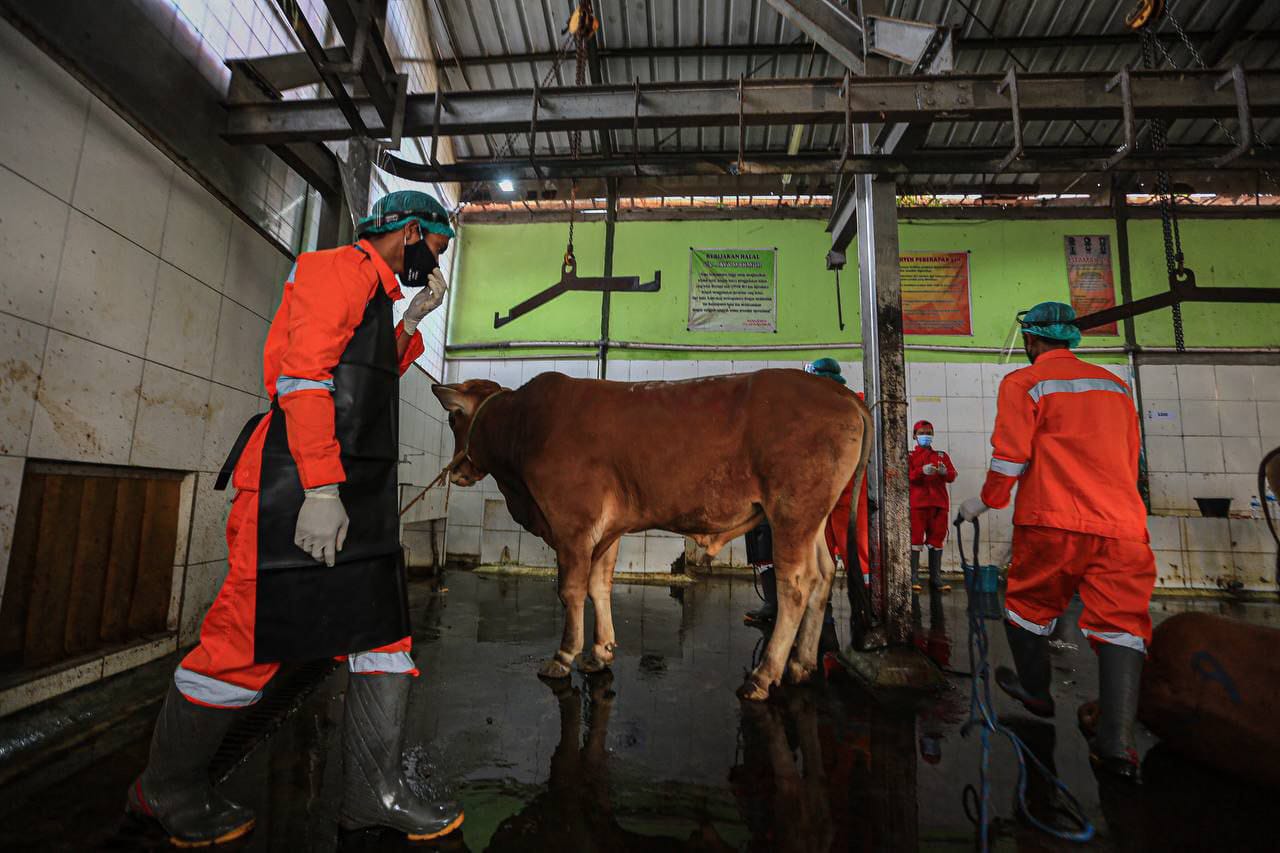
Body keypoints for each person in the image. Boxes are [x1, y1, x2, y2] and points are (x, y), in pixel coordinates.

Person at [126, 191, 464, 845]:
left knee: (382, 634)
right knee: (245, 644)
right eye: (438, 249)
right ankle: (164, 789)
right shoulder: (331, 270)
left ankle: (374, 794)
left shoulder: (377, 294)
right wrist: (320, 488)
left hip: (351, 493)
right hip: (294, 484)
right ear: (412, 234)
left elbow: (364, 379)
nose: (437, 263)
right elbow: (303, 378)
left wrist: (415, 315)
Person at [958, 301, 1153, 781]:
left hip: (1053, 520)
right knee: (1123, 625)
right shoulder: (1115, 385)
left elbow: (1011, 456)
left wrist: (983, 503)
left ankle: (1036, 692)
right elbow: (1131, 458)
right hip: (1123, 524)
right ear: (1071, 338)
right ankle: (1117, 746)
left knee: (1026, 607)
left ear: (1031, 340)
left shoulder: (1024, 383)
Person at [744, 358, 870, 637]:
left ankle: (847, 617)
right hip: (831, 495)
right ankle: (853, 617)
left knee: (839, 555)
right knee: (838, 556)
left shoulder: (835, 408)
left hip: (834, 494)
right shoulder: (846, 406)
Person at [908, 419, 956, 593]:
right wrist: (921, 471)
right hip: (918, 505)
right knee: (915, 541)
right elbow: (907, 476)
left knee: (937, 540)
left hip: (939, 505)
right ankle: (913, 577)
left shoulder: (941, 456)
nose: (925, 436)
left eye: (928, 433)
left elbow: (952, 475)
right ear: (914, 436)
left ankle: (936, 578)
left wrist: (945, 472)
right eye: (921, 433)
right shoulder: (909, 456)